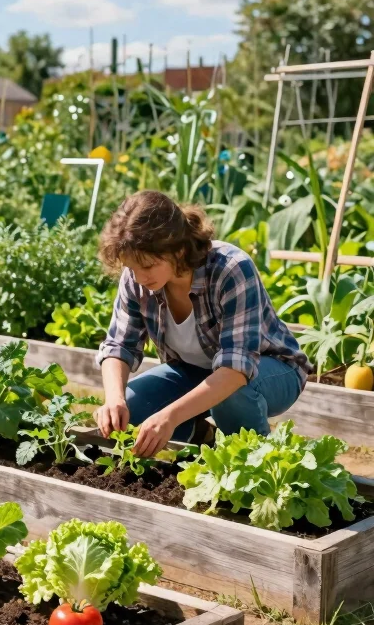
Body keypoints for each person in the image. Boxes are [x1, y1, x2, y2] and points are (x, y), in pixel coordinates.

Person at [95, 190, 311, 457]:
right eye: (131, 267)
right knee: (134, 406)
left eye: (148, 266)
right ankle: (201, 436)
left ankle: (256, 462)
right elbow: (119, 345)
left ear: (178, 249)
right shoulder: (137, 278)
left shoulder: (230, 269)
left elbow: (235, 370)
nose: (138, 277)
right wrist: (114, 399)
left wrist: (170, 416)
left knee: (231, 395)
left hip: (271, 369)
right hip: (195, 371)